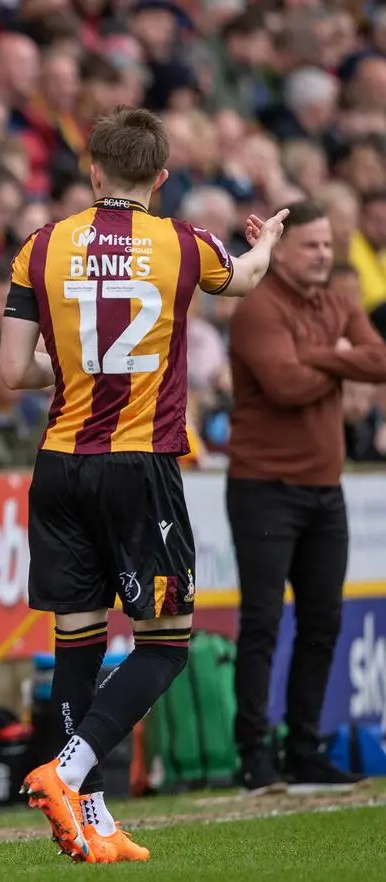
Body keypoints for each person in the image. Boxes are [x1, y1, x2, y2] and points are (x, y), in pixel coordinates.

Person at [0, 107, 288, 864]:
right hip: (139, 465)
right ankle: (66, 772)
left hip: (60, 463)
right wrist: (268, 243)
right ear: (162, 177)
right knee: (165, 643)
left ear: (93, 169)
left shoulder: (40, 246)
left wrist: (73, 370)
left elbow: (7, 372)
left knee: (77, 641)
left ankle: (90, 820)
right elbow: (246, 281)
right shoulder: (185, 245)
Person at [227, 200, 386, 793]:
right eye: (311, 245)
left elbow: (380, 357)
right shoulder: (258, 307)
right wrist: (343, 361)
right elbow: (286, 384)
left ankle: (303, 747)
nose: (323, 255)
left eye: (327, 245)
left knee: (323, 621)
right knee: (263, 622)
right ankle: (253, 754)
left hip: (325, 488)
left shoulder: (338, 302)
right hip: (264, 486)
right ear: (283, 249)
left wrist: (331, 358)